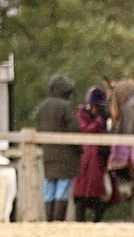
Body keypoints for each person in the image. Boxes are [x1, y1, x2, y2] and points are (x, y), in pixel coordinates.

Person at [35, 72, 80, 222]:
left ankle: (49, 219)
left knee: (49, 185)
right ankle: (58, 219)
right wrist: (80, 148)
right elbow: (74, 129)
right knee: (63, 185)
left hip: (48, 153)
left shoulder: (42, 107)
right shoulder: (65, 106)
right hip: (65, 155)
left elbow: (38, 129)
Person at [71, 85, 115, 222]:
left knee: (103, 194)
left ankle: (96, 221)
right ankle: (80, 221)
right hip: (86, 160)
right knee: (82, 194)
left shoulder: (103, 119)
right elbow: (87, 129)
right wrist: (100, 120)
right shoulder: (82, 115)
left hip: (100, 160)